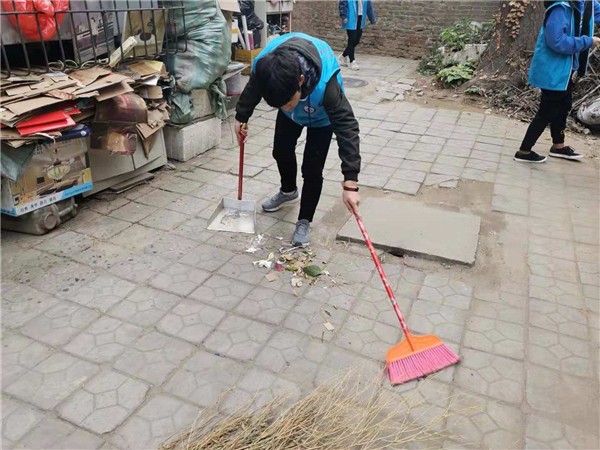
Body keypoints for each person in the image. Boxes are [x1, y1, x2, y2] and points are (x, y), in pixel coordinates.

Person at [235, 32, 361, 247]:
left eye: (287, 101)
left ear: (300, 80)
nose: (285, 106)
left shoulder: (327, 87)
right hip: (291, 117)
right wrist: (241, 117)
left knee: (312, 169)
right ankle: (288, 191)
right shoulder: (265, 65)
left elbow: (347, 128)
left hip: (322, 118)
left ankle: (304, 220)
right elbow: (254, 87)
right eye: (279, 104)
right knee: (280, 150)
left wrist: (350, 183)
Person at [515, 0, 600, 163]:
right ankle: (524, 151)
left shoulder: (587, 3)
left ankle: (558, 146)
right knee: (547, 110)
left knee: (563, 106)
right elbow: (557, 41)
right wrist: (588, 41)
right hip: (553, 71)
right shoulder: (560, 8)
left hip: (569, 70)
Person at [338, 0, 376, 70]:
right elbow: (343, 4)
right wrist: (344, 16)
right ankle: (352, 61)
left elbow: (369, 6)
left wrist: (372, 19)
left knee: (357, 40)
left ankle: (343, 56)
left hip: (360, 18)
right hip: (350, 18)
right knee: (352, 39)